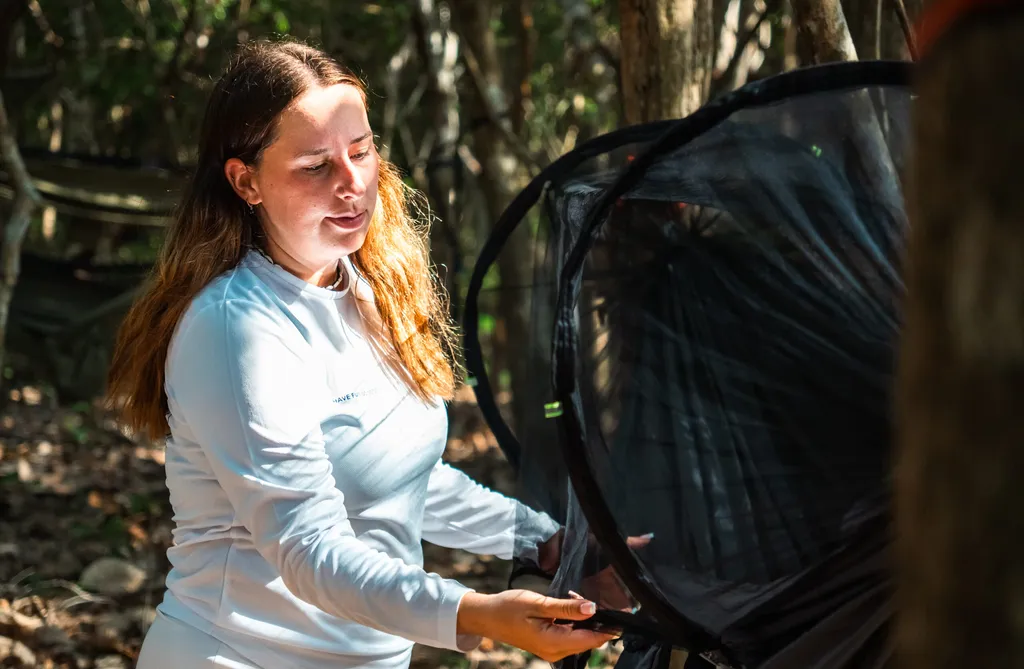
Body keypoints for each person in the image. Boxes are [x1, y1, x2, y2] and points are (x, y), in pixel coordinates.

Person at [106, 38, 616, 669]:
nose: (352, 183)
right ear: (246, 181)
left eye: (361, 150)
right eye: (315, 166)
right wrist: (476, 613)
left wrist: (545, 541)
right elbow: (308, 548)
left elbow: (400, 477)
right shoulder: (236, 328)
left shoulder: (368, 293)